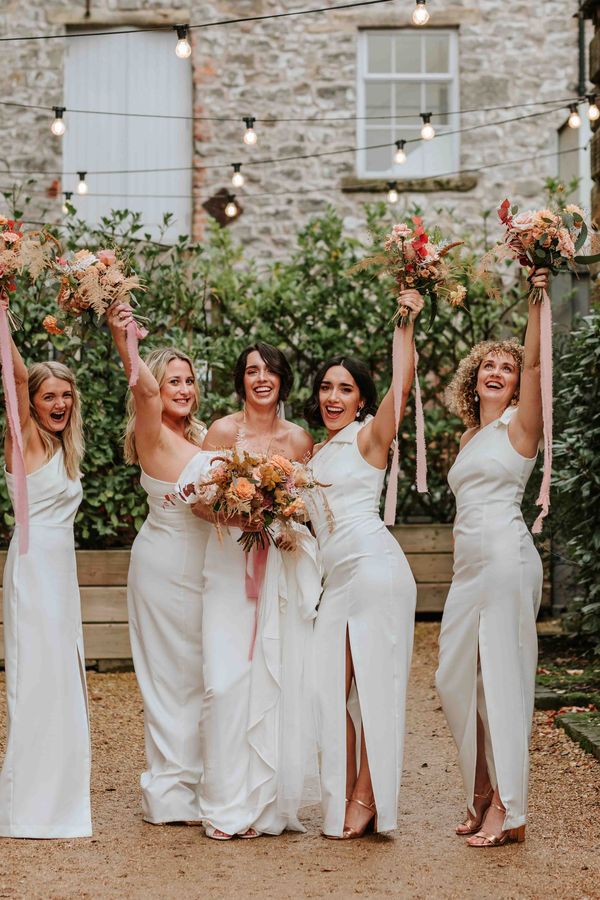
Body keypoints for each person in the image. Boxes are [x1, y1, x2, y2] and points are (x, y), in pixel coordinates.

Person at [435, 268, 549, 848]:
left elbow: (534, 366)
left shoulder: (520, 427)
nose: (499, 372)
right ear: (473, 381)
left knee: (502, 679)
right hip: (467, 570)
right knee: (454, 679)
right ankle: (481, 789)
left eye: (507, 367)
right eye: (489, 366)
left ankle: (509, 807)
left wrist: (538, 293)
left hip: (506, 557)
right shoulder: (467, 439)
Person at [305, 290, 423, 839]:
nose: (334, 396)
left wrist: (406, 321)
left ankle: (366, 796)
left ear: (361, 400)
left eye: (345, 389)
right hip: (336, 581)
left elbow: (403, 385)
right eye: (327, 387)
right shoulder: (314, 454)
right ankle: (351, 788)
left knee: (374, 683)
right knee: (330, 687)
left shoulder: (368, 438)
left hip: (375, 569)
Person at [195, 341, 317, 840]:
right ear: (240, 380)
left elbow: (308, 509)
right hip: (228, 565)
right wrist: (246, 514)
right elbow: (199, 503)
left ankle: (263, 806)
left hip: (278, 574)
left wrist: (281, 518)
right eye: (251, 371)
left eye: (269, 370)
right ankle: (223, 804)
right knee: (225, 685)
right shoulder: (222, 432)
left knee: (271, 679)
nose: (260, 378)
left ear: (282, 380)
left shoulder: (299, 440)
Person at [108, 303, 210, 825]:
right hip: (164, 566)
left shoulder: (205, 437)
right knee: (168, 677)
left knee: (201, 674)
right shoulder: (151, 429)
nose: (183, 389)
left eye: (189, 380)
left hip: (207, 570)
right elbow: (142, 390)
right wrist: (122, 334)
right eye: (174, 380)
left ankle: (202, 781)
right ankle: (169, 792)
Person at [0, 297, 91, 838]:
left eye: (65, 395)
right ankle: (31, 804)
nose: (58, 403)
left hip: (61, 571)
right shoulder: (25, 438)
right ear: (29, 403)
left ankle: (58, 796)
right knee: (37, 680)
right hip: (34, 570)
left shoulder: (64, 445)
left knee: (61, 680)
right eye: (47, 396)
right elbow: (11, 371)